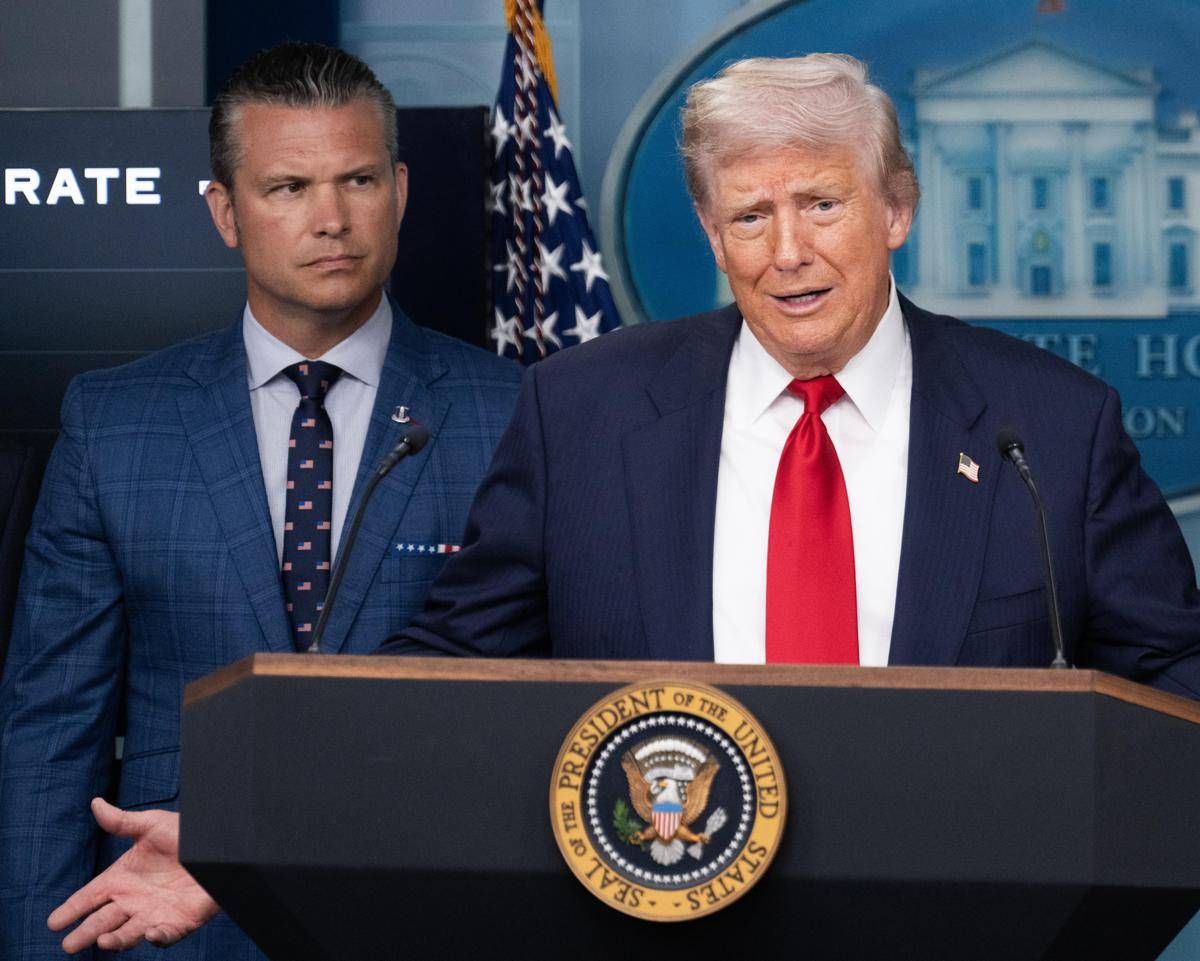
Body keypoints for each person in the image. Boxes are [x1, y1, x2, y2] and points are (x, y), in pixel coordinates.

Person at [382, 53, 1200, 693]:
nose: (787, 253)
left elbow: (1172, 678)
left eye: (821, 205)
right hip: (666, 854)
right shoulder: (580, 412)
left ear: (897, 209)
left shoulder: (1055, 429)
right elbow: (457, 664)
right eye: (749, 216)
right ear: (712, 234)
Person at [0, 42, 519, 960]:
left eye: (358, 180)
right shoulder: (114, 422)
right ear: (225, 212)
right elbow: (51, 729)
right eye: (288, 187)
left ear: (399, 192)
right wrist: (42, 946)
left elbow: (537, 716)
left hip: (427, 917)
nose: (332, 219)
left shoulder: (515, 412)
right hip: (169, 930)